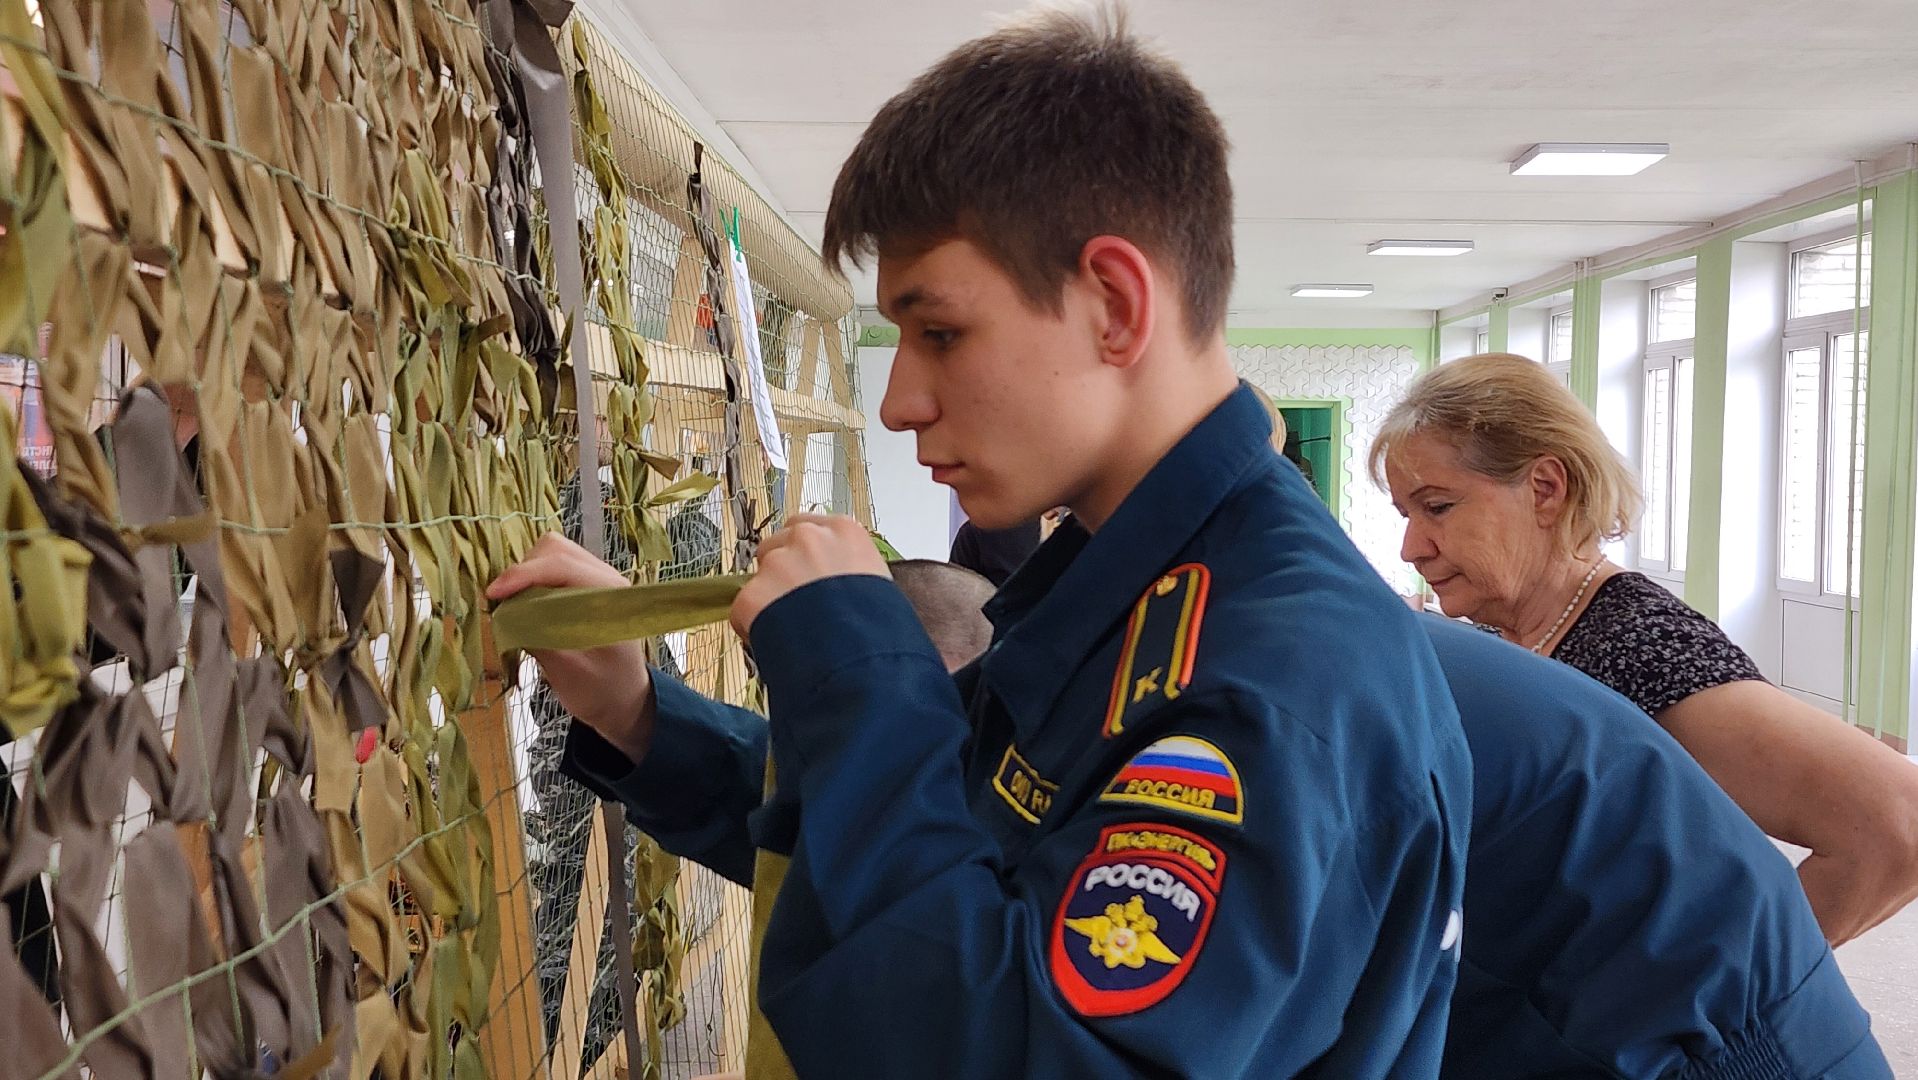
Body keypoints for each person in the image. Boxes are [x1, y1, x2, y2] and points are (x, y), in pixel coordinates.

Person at [490, 7, 1472, 1076]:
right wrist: (641, 716)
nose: (902, 400)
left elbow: (1000, 1044)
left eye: (941, 332)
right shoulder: (1124, 593)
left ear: (1112, 305)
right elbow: (916, 851)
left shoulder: (1275, 681)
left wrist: (860, 673)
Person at [1372, 352, 1918, 946]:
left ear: (1546, 490)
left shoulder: (1642, 646)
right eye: (1406, 515)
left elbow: (1897, 825)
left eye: (1438, 508)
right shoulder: (1518, 635)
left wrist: (1715, 999)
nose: (1411, 548)